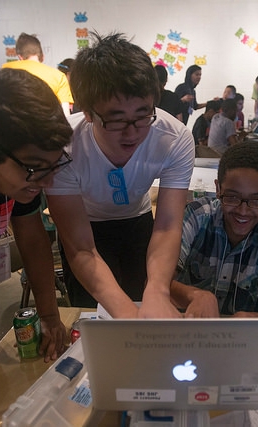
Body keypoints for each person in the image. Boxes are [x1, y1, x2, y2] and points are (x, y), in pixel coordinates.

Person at [45, 32, 195, 319]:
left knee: (147, 298)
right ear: (87, 112)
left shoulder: (174, 139)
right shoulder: (62, 145)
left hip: (137, 221)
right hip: (85, 223)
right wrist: (128, 316)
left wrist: (158, 291)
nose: (132, 131)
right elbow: (81, 248)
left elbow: (166, 226)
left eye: (143, 115)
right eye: (116, 119)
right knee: (93, 315)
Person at [0, 68, 73, 385]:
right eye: (34, 168)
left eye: (54, 164)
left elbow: (32, 238)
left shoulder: (19, 179)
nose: (47, 181)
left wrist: (49, 314)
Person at [170, 142, 258, 342]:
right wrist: (194, 295)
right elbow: (156, 283)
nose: (243, 211)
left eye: (257, 200)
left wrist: (255, 320)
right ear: (218, 189)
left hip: (245, 342)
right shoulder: (195, 217)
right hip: (187, 335)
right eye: (232, 197)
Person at [2, 33, 74, 117]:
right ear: (42, 56)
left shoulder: (5, 72)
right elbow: (66, 116)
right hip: (46, 127)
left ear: (20, 57)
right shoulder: (58, 76)